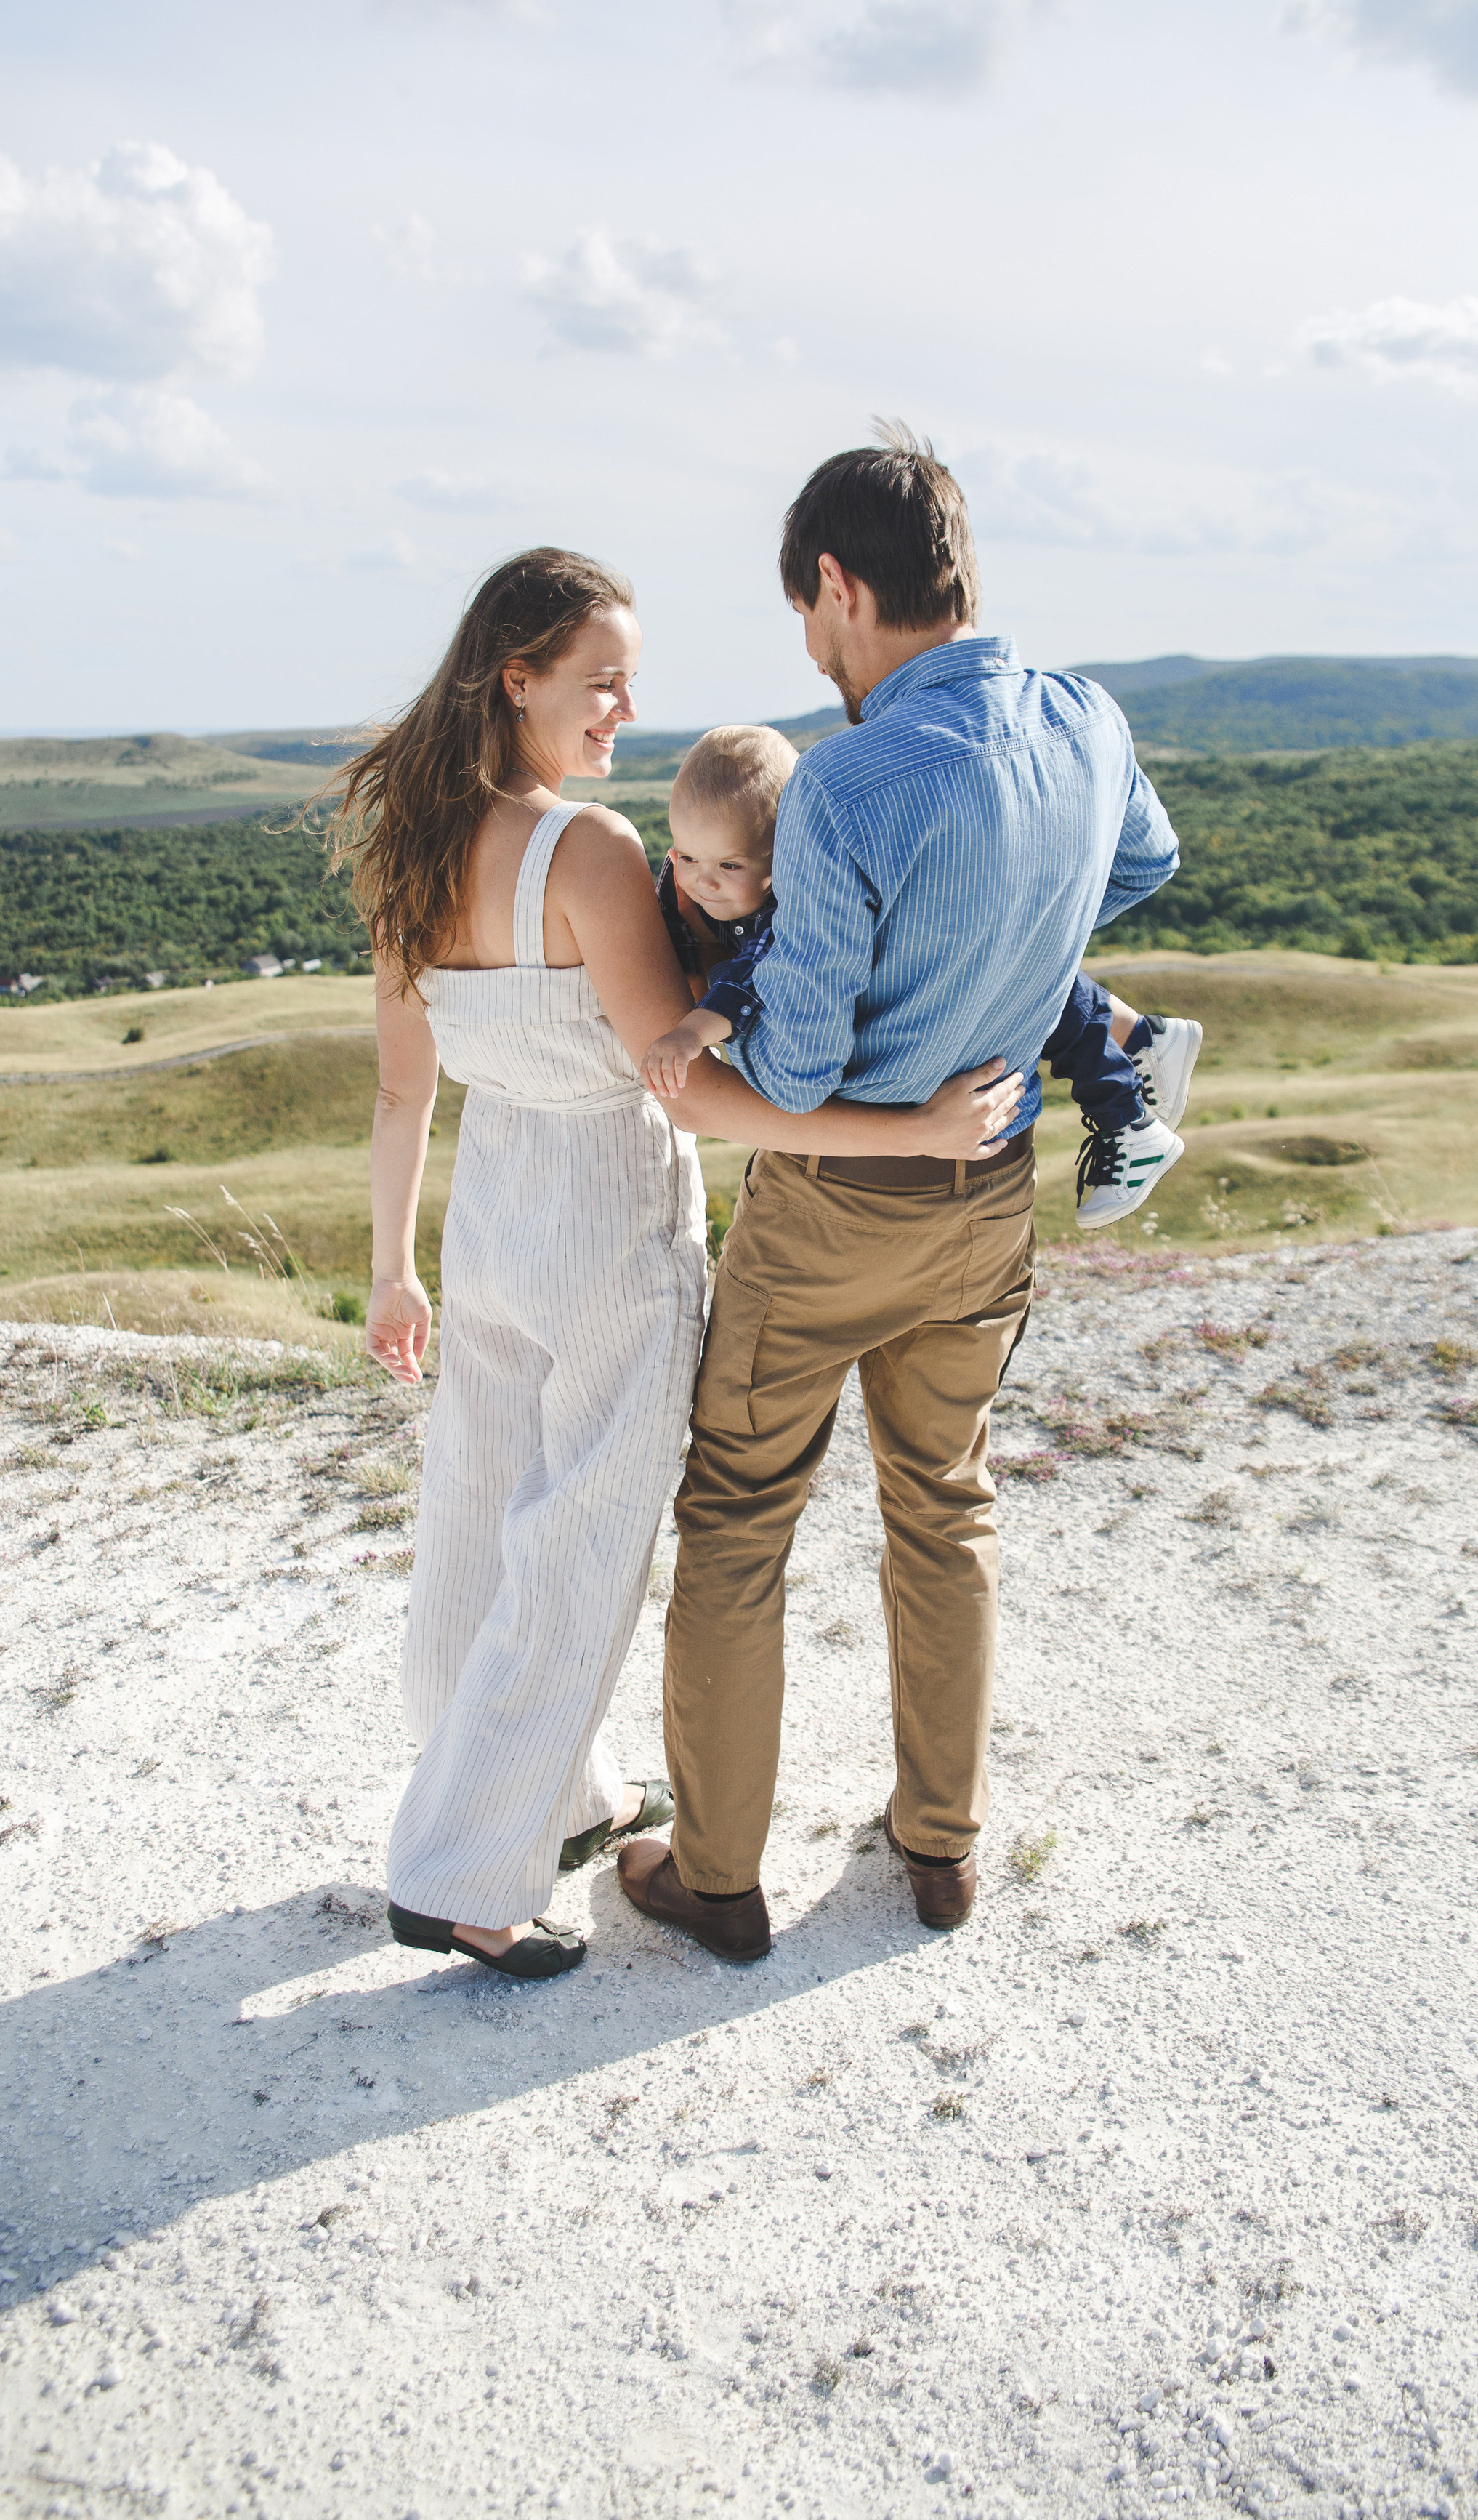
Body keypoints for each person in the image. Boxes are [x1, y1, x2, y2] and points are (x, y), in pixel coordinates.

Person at [335, 547, 1024, 1984]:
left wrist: (391, 1270)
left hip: (490, 1223)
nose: (623, 712)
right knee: (581, 1547)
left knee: (475, 1514)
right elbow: (686, 1088)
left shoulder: (409, 837)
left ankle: (557, 1801)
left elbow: (405, 1089)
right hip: (601, 1223)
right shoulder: (579, 850)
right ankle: (463, 1874)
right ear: (512, 675)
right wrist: (901, 1133)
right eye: (600, 681)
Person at [615, 430, 1180, 1965]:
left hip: (827, 1213)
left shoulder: (845, 784)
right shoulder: (1086, 715)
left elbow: (792, 1078)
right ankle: (939, 1846)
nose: (812, 651)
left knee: (738, 1518)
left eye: (807, 618)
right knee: (946, 1505)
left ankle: (717, 1874)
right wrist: (1002, 930)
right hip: (989, 1190)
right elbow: (1141, 858)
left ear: (837, 585)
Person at [642, 724, 1200, 1228]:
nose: (701, 882)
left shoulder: (787, 917)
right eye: (685, 858)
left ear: (783, 861)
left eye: (729, 866)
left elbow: (744, 988)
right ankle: (1140, 1036)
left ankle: (1125, 1116)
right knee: (1021, 968)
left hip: (908, 1169)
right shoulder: (703, 890)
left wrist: (692, 1033)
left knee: (1039, 998)